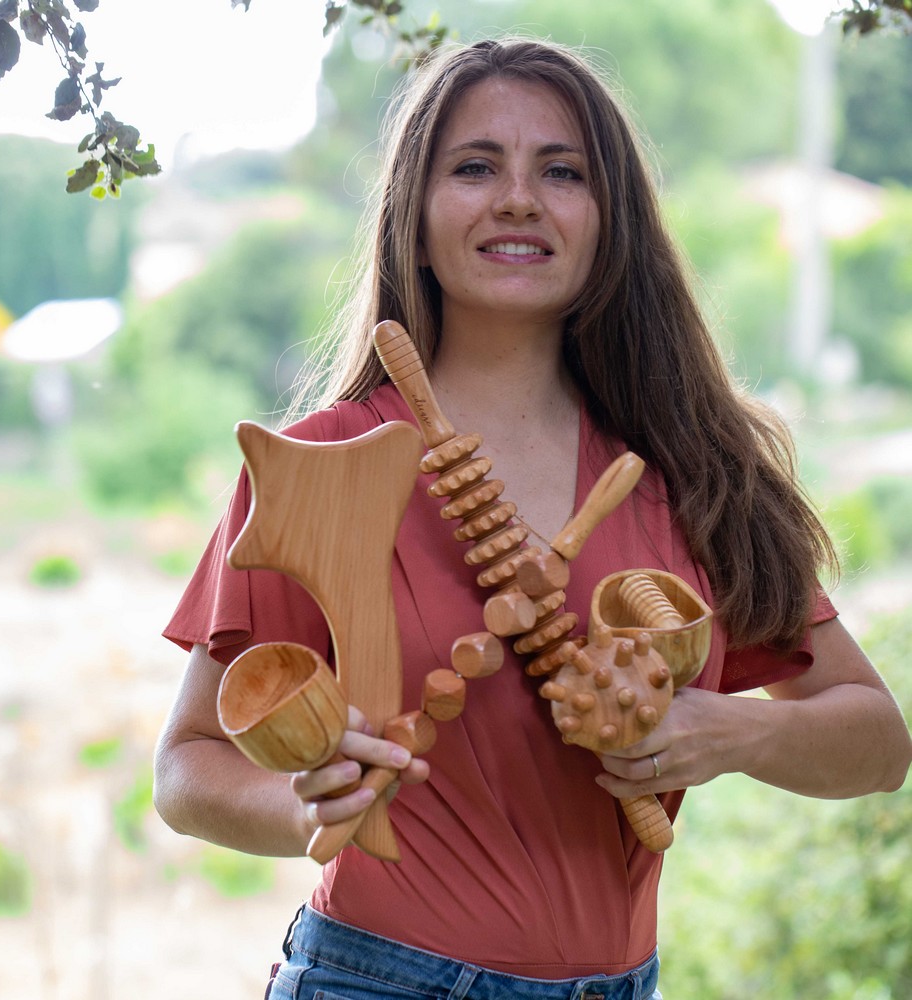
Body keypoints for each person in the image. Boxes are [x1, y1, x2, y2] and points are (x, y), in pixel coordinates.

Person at [153, 36, 911, 999]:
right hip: (375, 981)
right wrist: (303, 808)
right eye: (475, 167)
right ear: (415, 212)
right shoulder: (318, 464)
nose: (519, 199)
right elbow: (186, 768)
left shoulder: (693, 470)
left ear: (609, 218)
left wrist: (724, 733)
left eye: (563, 172)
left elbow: (878, 742)